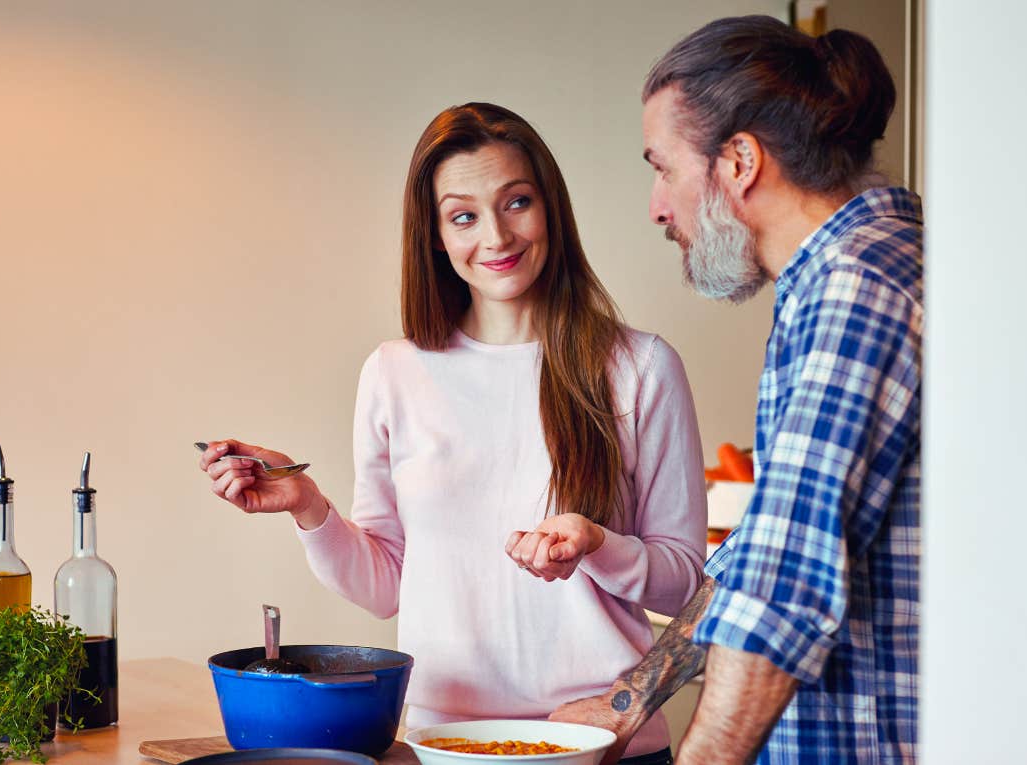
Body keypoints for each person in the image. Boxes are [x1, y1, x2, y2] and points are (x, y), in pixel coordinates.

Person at [199, 102, 708, 764]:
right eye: (464, 215)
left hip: (605, 743)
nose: (496, 236)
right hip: (445, 746)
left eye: (516, 201)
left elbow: (685, 582)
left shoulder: (643, 369)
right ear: (435, 235)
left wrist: (597, 543)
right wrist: (306, 505)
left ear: (549, 206)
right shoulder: (393, 373)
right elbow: (387, 586)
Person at [552, 16, 922, 764]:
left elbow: (783, 589)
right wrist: (628, 702)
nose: (659, 205)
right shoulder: (846, 273)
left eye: (664, 167)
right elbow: (760, 551)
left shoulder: (857, 289)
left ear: (740, 161)